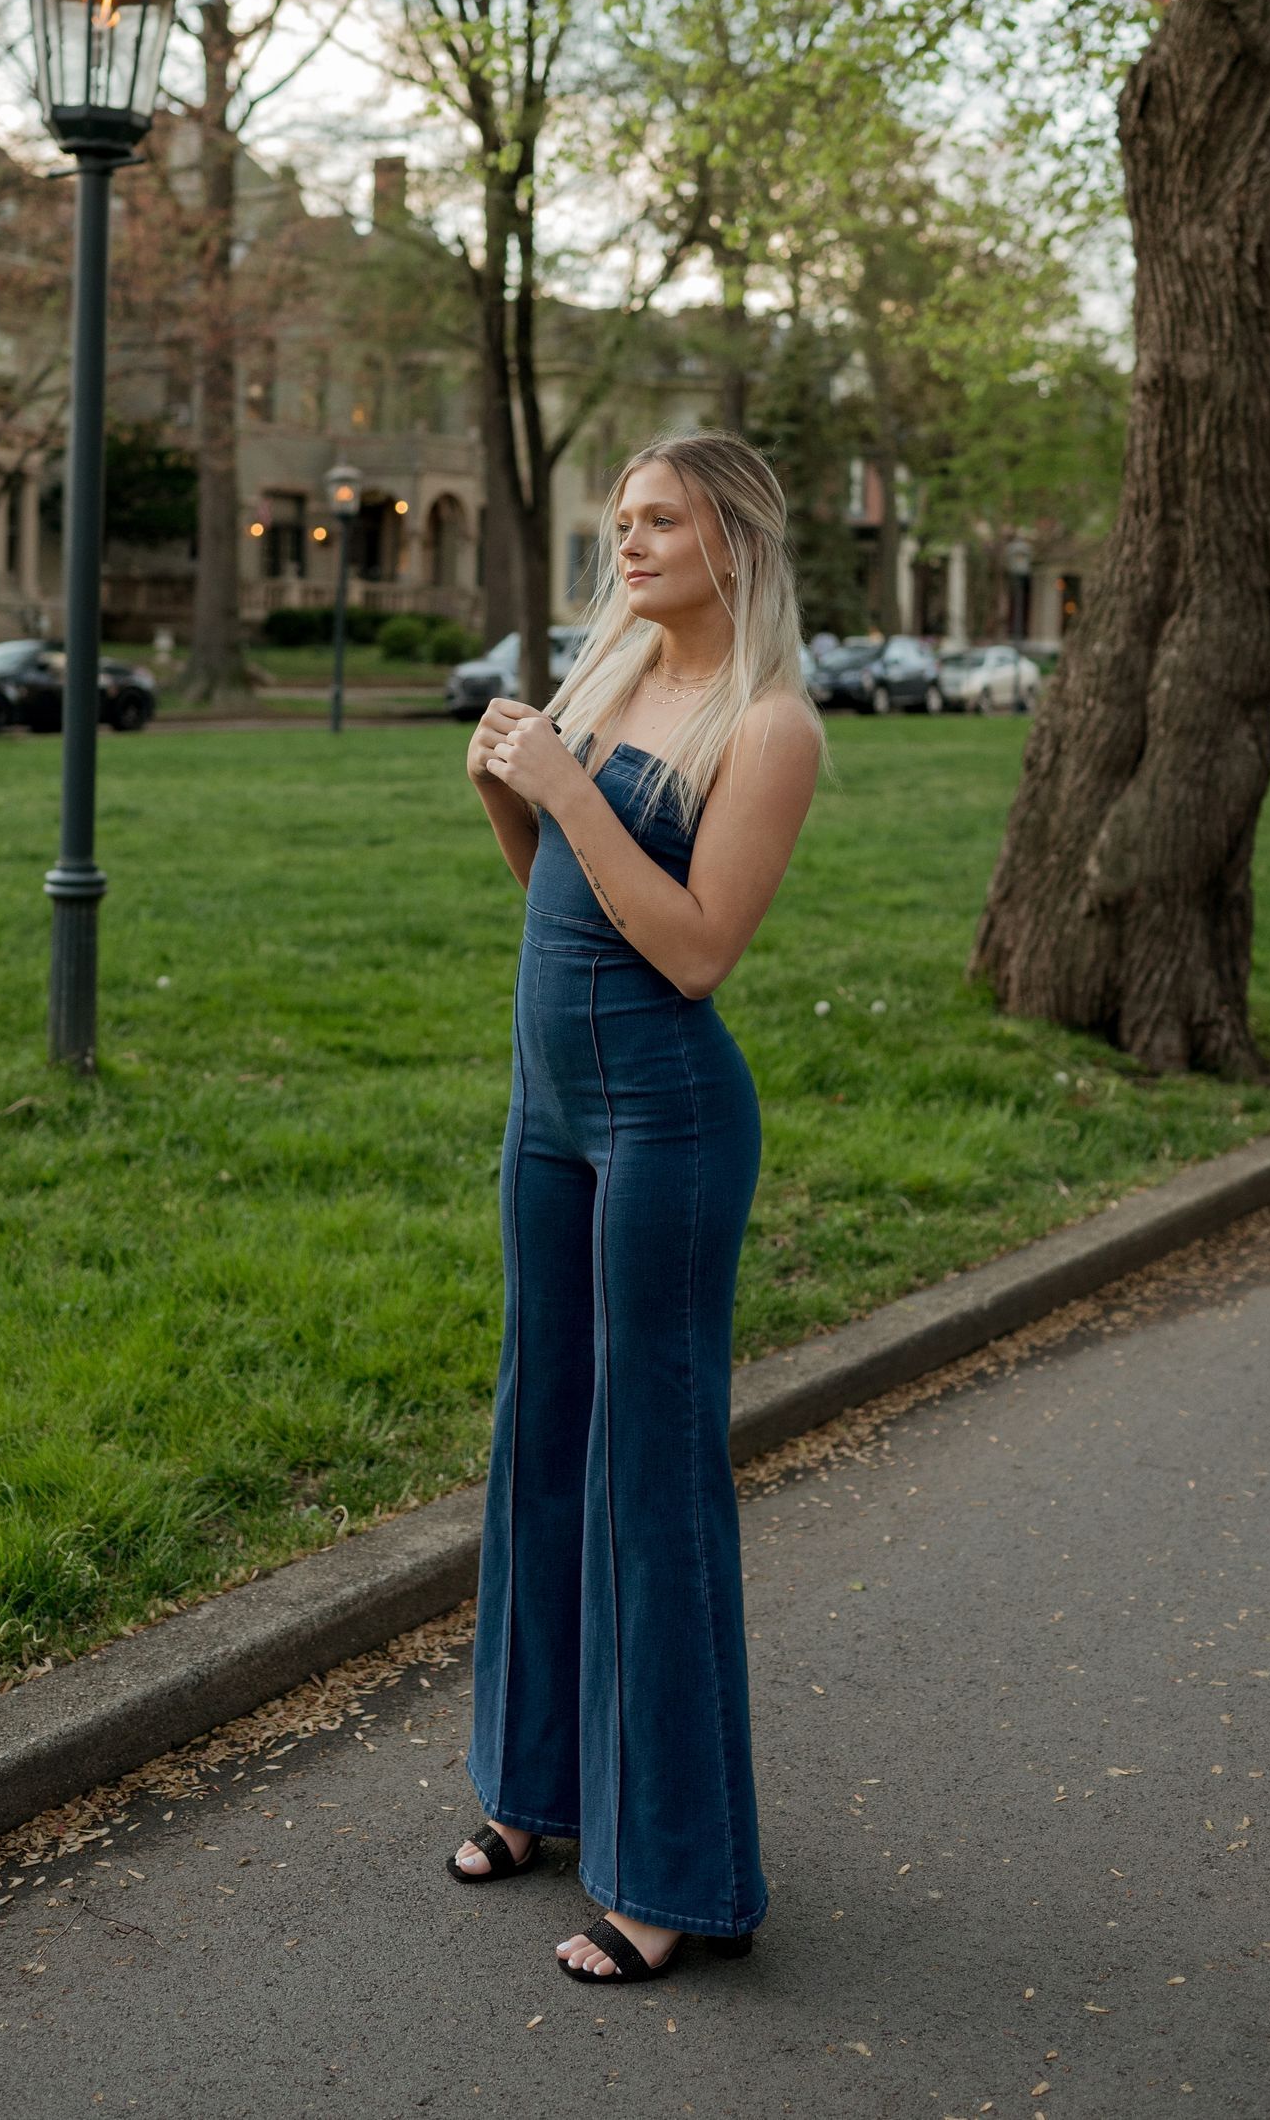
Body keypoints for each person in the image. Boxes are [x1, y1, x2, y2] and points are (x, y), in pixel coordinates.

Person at [450, 432, 825, 1987]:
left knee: (649, 1476)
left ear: (732, 537)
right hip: (548, 1113)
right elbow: (556, 884)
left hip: (666, 1117)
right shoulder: (606, 679)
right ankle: (533, 1789)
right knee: (540, 1438)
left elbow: (689, 947)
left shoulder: (773, 723)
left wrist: (559, 780)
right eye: (619, 521)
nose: (631, 541)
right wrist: (505, 786)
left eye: (660, 518)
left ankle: (673, 1871)